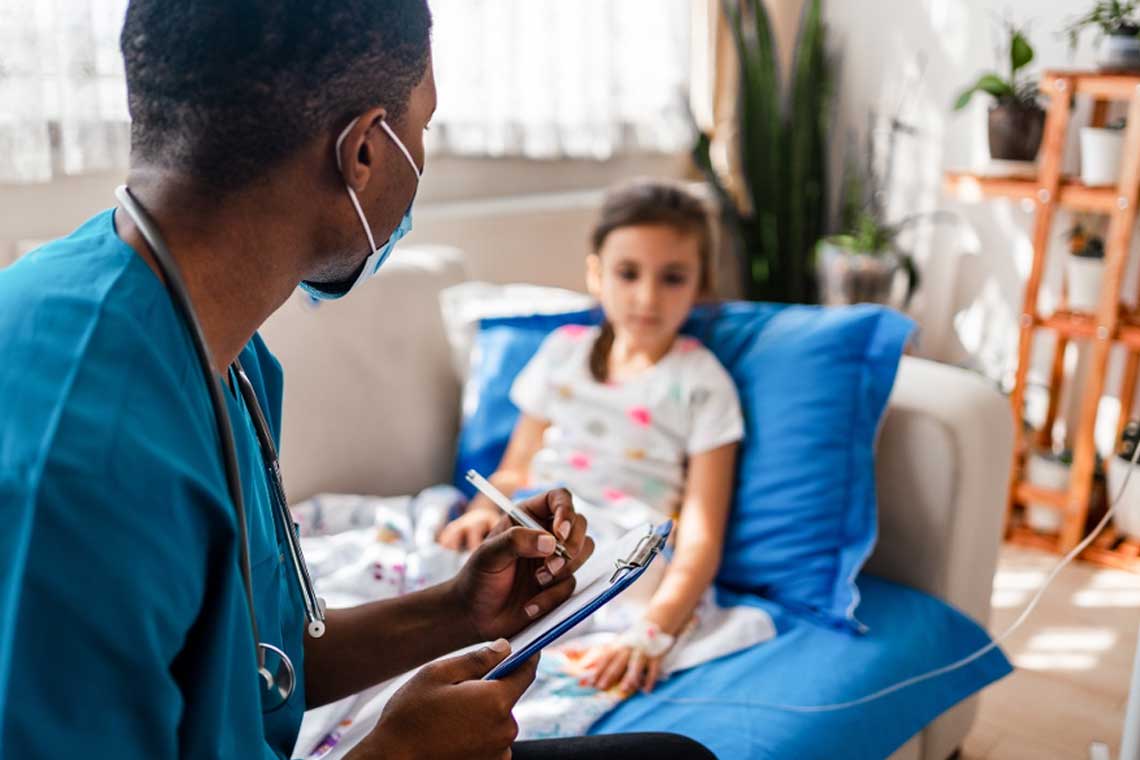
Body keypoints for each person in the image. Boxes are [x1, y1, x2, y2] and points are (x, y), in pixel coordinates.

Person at [0, 3, 715, 758]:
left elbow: (259, 666)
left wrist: (459, 609)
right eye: (425, 128)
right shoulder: (79, 459)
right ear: (366, 150)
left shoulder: (214, 345)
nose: (423, 153)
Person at [439, 180, 745, 694]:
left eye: (672, 278)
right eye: (628, 274)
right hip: (530, 527)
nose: (647, 297)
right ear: (596, 274)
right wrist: (479, 509)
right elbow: (516, 469)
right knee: (445, 601)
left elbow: (701, 535)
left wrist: (654, 632)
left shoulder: (703, 383)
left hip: (618, 549)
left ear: (700, 284)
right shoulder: (563, 352)